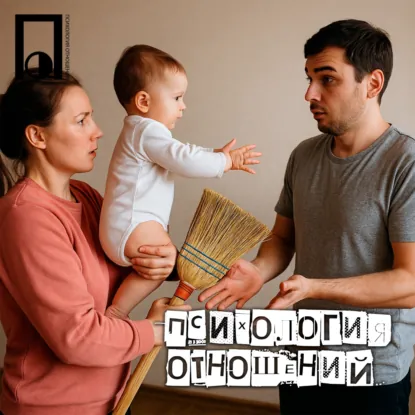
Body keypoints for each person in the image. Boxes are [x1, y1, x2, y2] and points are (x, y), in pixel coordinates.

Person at [199, 19, 415, 415]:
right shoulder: (304, 155)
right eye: (309, 78)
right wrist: (259, 271)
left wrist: (314, 287)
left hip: (371, 371)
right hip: (300, 356)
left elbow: (411, 282)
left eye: (327, 79)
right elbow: (284, 239)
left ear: (372, 83)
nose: (310, 94)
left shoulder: (406, 164)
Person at [0, 69, 191, 415]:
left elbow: (123, 263)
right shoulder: (25, 216)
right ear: (37, 136)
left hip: (113, 399)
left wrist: (166, 261)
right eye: (81, 121)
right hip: (56, 408)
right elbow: (78, 339)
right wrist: (156, 331)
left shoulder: (85, 197)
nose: (97, 131)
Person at [100, 44, 262, 319]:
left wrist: (213, 154)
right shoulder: (146, 130)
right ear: (144, 102)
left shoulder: (140, 133)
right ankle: (117, 310)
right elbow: (183, 158)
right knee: (163, 258)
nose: (183, 106)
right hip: (134, 227)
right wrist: (225, 161)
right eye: (176, 98)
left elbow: (181, 153)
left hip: (124, 228)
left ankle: (118, 309)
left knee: (161, 263)